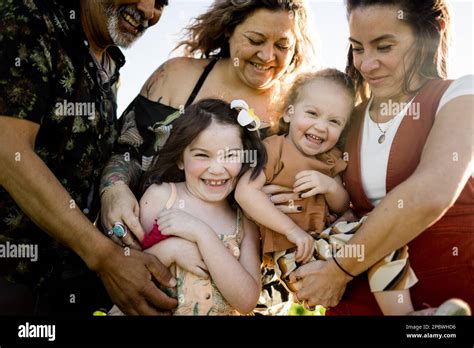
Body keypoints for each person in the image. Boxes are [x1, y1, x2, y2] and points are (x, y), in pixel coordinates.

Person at [286, 0, 473, 315]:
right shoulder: (345, 119)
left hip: (450, 297)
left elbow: (432, 192)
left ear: (433, 33)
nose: (366, 65)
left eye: (384, 47)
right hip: (354, 305)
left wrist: (337, 271)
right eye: (357, 49)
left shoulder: (460, 95)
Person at [0, 0, 177, 315]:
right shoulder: (30, 19)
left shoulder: (110, 67)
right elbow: (7, 152)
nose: (149, 11)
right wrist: (104, 257)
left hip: (53, 288)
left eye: (162, 2)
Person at [99, 0, 317, 252]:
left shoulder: (297, 110)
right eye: (255, 40)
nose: (268, 56)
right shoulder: (176, 76)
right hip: (145, 249)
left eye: (282, 45)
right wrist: (113, 188)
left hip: (238, 271)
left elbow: (324, 178)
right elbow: (126, 151)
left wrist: (299, 203)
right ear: (229, 30)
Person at [236, 69, 420, 315]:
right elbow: (245, 193)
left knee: (383, 237)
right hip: (294, 259)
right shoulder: (273, 149)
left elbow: (342, 206)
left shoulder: (331, 160)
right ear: (290, 112)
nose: (321, 127)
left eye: (334, 121)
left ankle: (407, 316)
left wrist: (330, 186)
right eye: (312, 113)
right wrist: (292, 231)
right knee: (382, 237)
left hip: (327, 245)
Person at [109, 98, 264, 315]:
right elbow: (127, 267)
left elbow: (246, 301)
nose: (217, 169)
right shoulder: (161, 197)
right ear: (181, 159)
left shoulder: (245, 222)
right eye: (202, 155)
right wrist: (173, 249)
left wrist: (202, 234)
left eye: (230, 156)